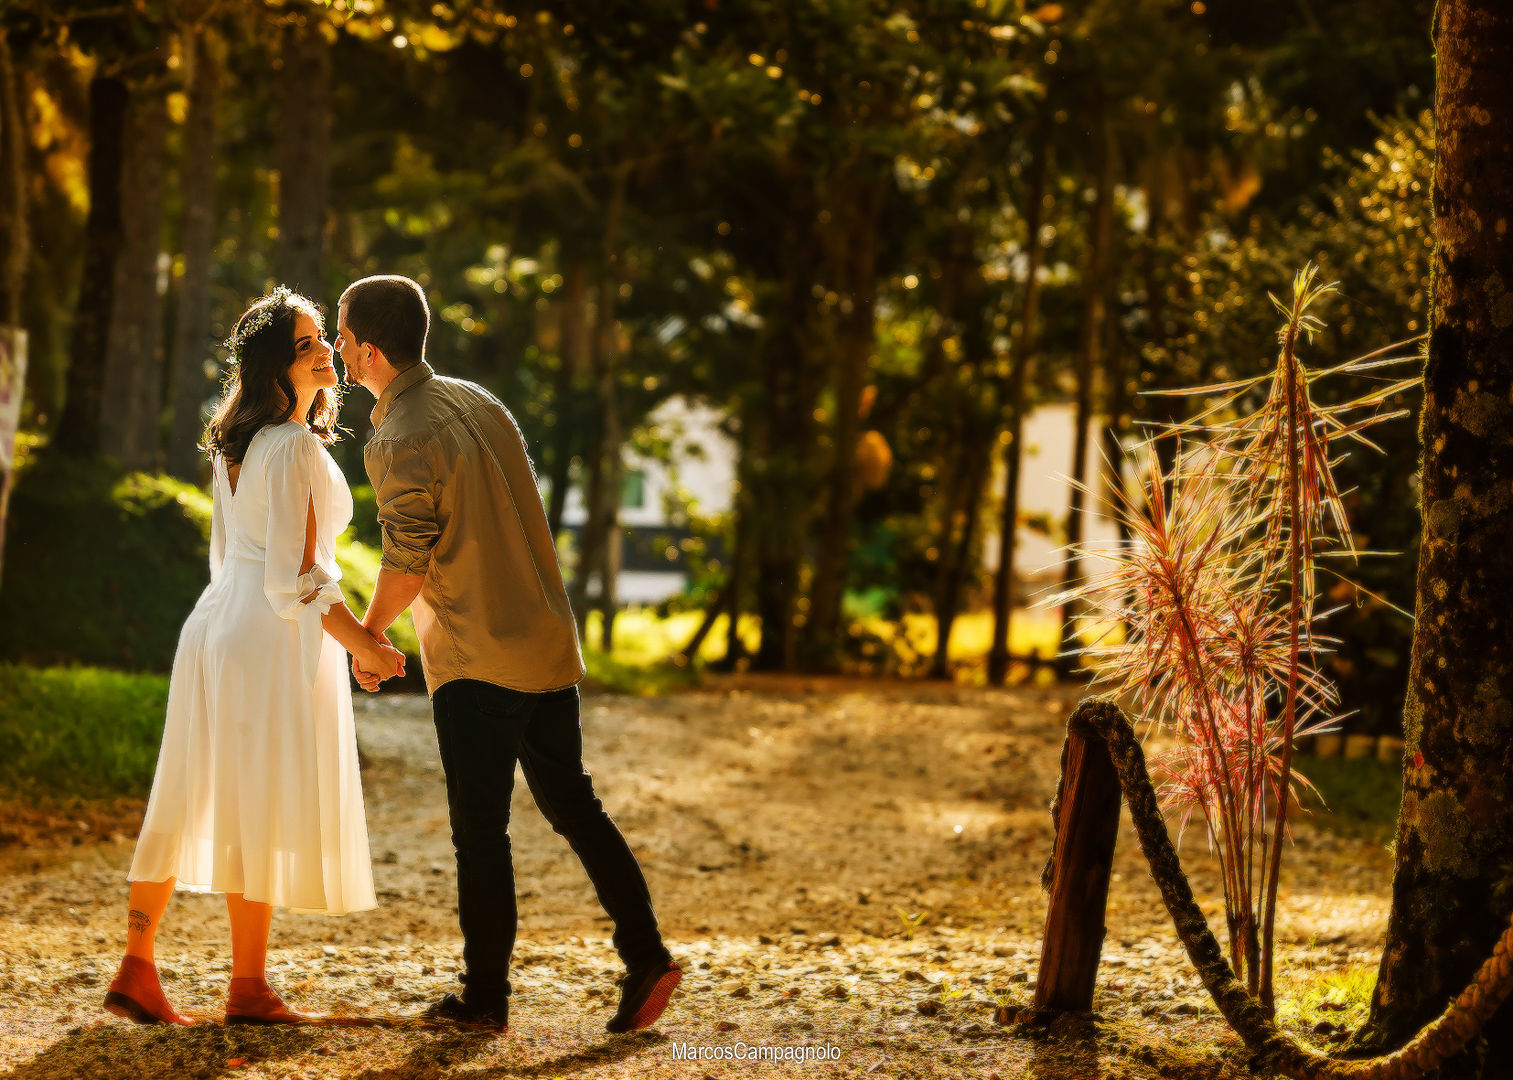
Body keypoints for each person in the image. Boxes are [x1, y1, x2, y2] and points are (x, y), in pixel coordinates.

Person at [336, 274, 681, 1034]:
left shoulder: (397, 436)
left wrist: (367, 638)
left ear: (367, 349)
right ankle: (646, 954)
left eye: (341, 339)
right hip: (544, 639)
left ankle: (484, 999)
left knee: (479, 830)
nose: (337, 355)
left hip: (476, 654)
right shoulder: (479, 400)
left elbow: (407, 560)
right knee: (575, 805)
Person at [102, 288, 404, 1027]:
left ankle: (141, 966)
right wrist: (366, 644)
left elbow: (242, 563)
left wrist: (349, 637)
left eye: (321, 339)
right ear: (275, 365)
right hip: (264, 638)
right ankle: (246, 988)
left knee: (189, 788)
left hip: (213, 626)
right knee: (256, 799)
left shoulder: (237, 444)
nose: (327, 350)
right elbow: (298, 579)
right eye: (307, 344)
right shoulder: (294, 445)